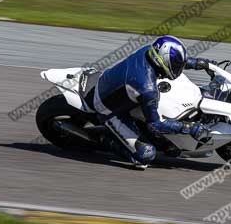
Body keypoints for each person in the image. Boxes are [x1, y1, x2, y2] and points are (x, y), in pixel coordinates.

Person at [91, 35, 215, 169]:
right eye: (176, 65)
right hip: (108, 109)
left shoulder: (148, 51)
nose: (178, 68)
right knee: (146, 155)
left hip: (113, 85)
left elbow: (173, 62)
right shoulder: (147, 88)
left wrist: (198, 63)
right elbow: (156, 124)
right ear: (161, 60)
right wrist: (188, 128)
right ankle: (99, 140)